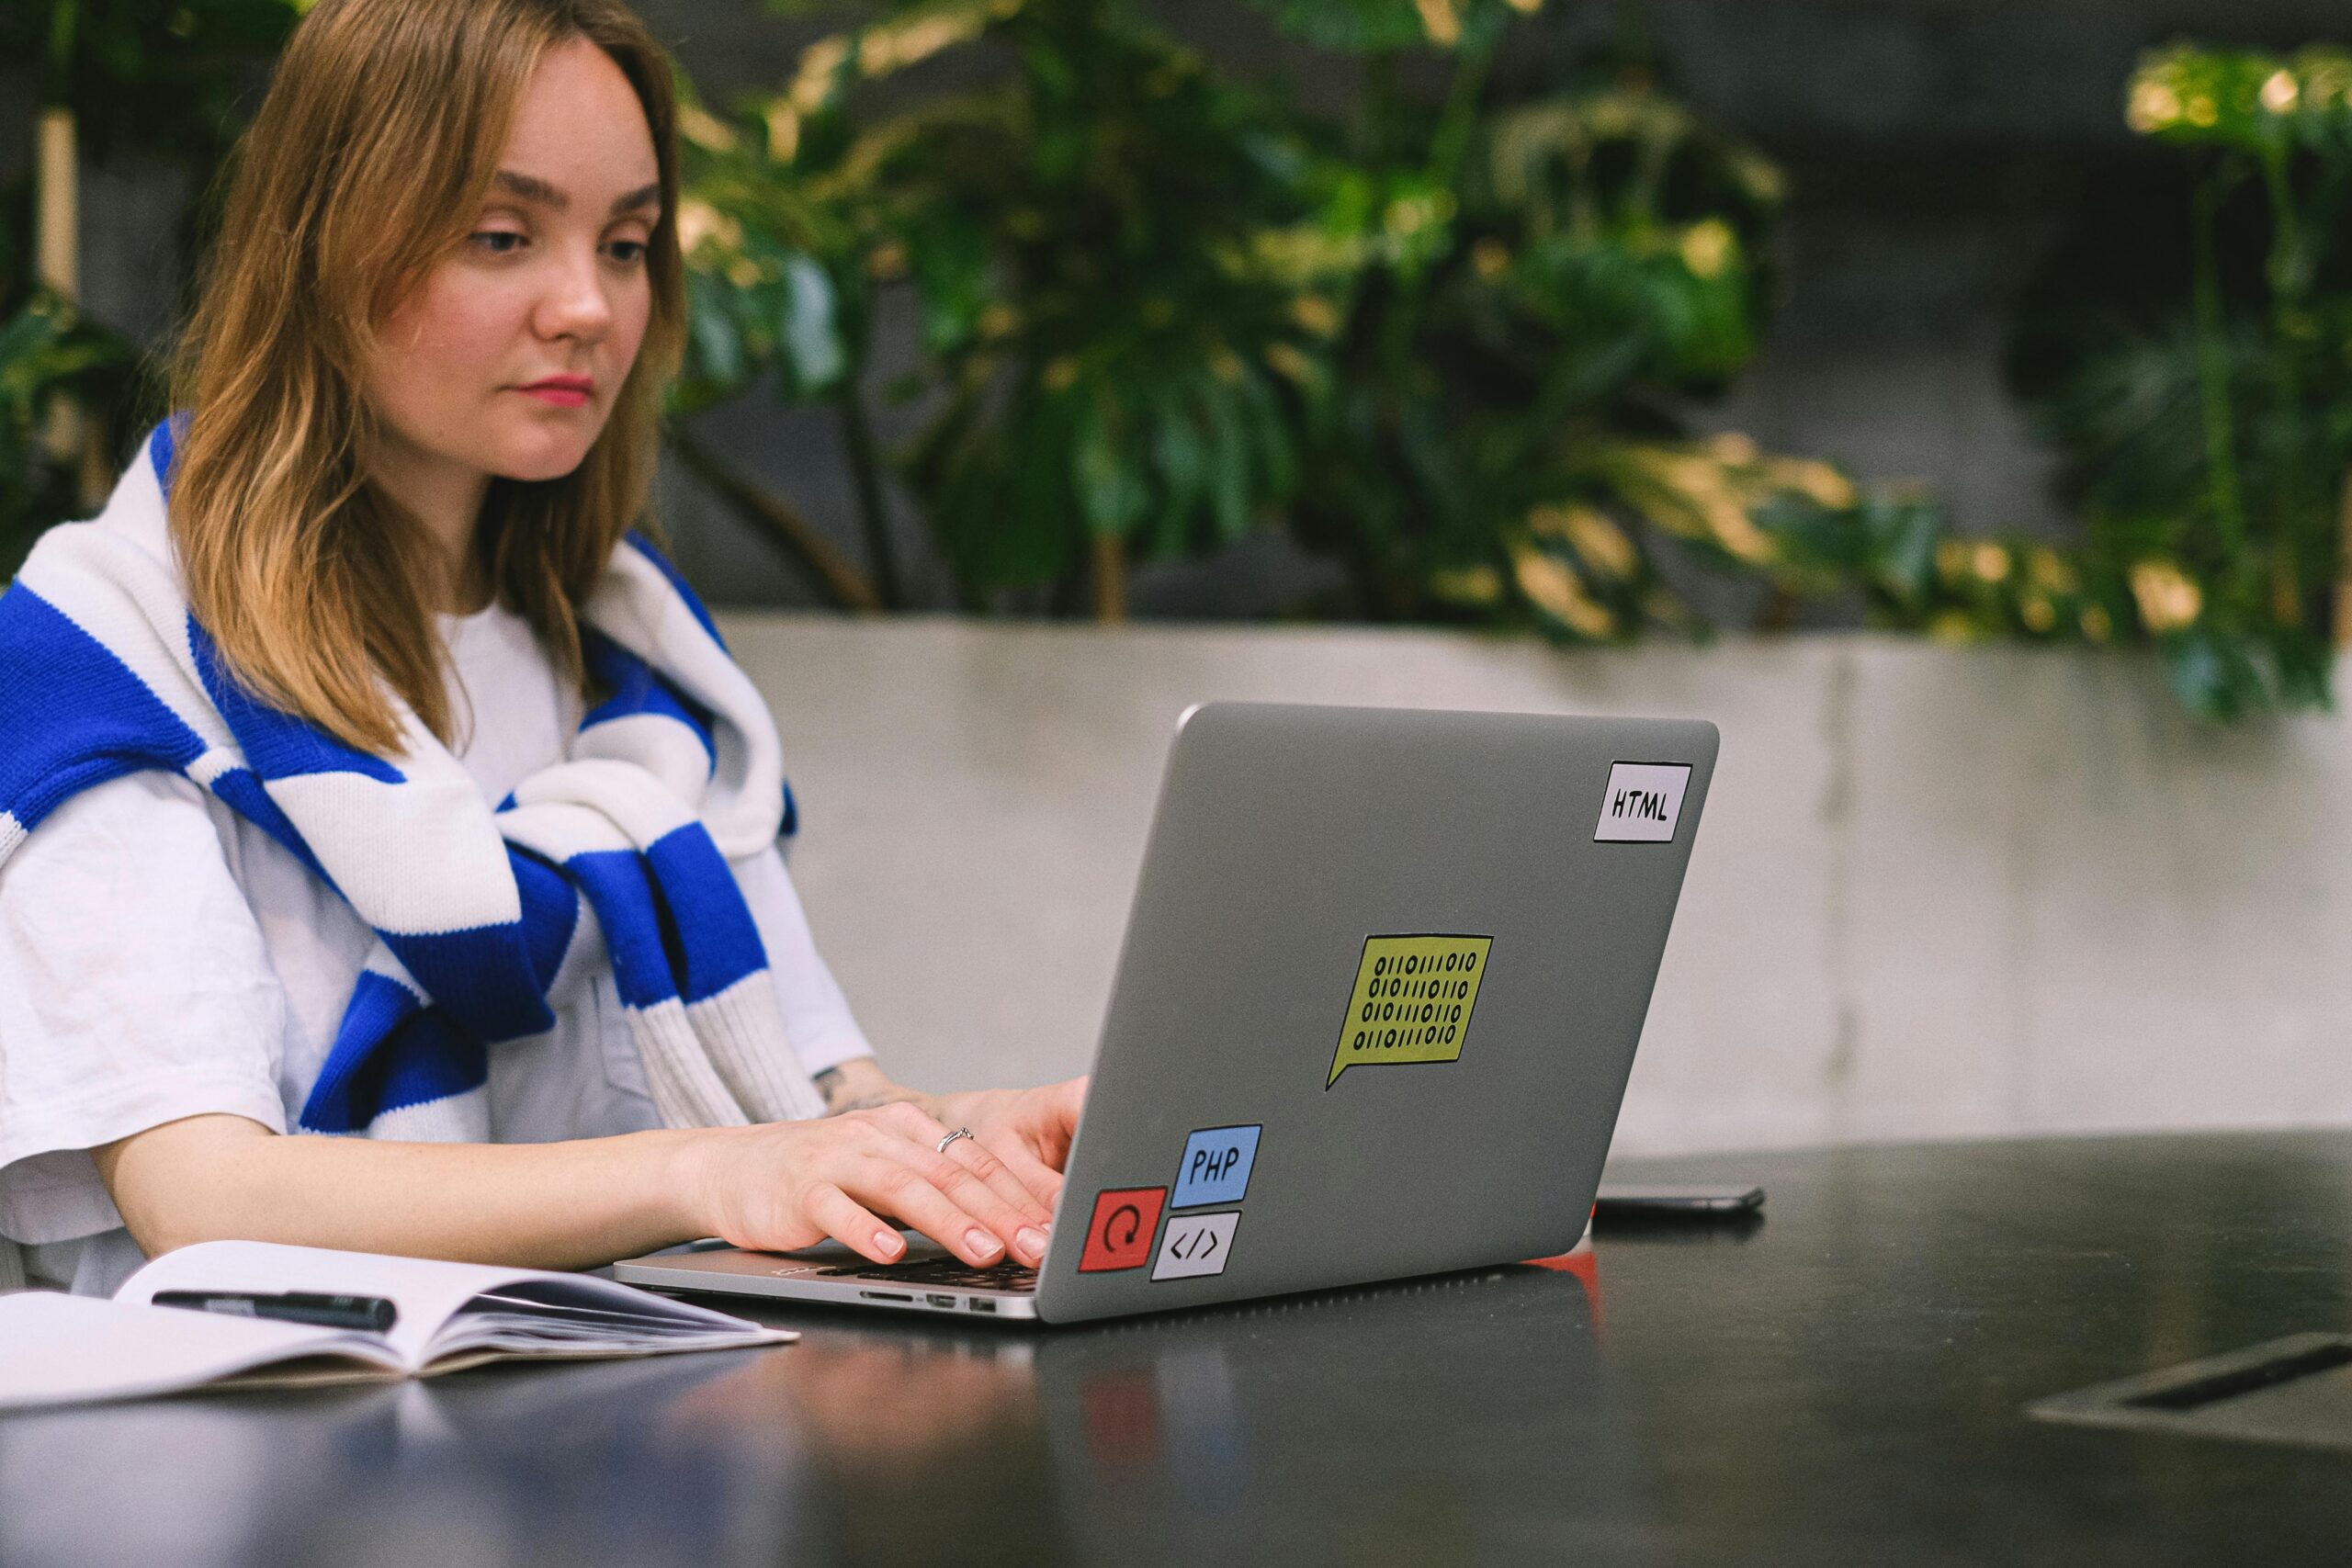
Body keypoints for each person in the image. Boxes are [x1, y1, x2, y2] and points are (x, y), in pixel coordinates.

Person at [0, 0, 1083, 1298]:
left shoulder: (634, 666)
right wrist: (705, 1170)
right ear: (325, 248)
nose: (588, 307)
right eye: (502, 237)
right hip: (226, 1456)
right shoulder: (97, 655)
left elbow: (808, 1097)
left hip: (587, 1433)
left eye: (626, 244)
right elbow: (205, 1195)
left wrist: (969, 1147)